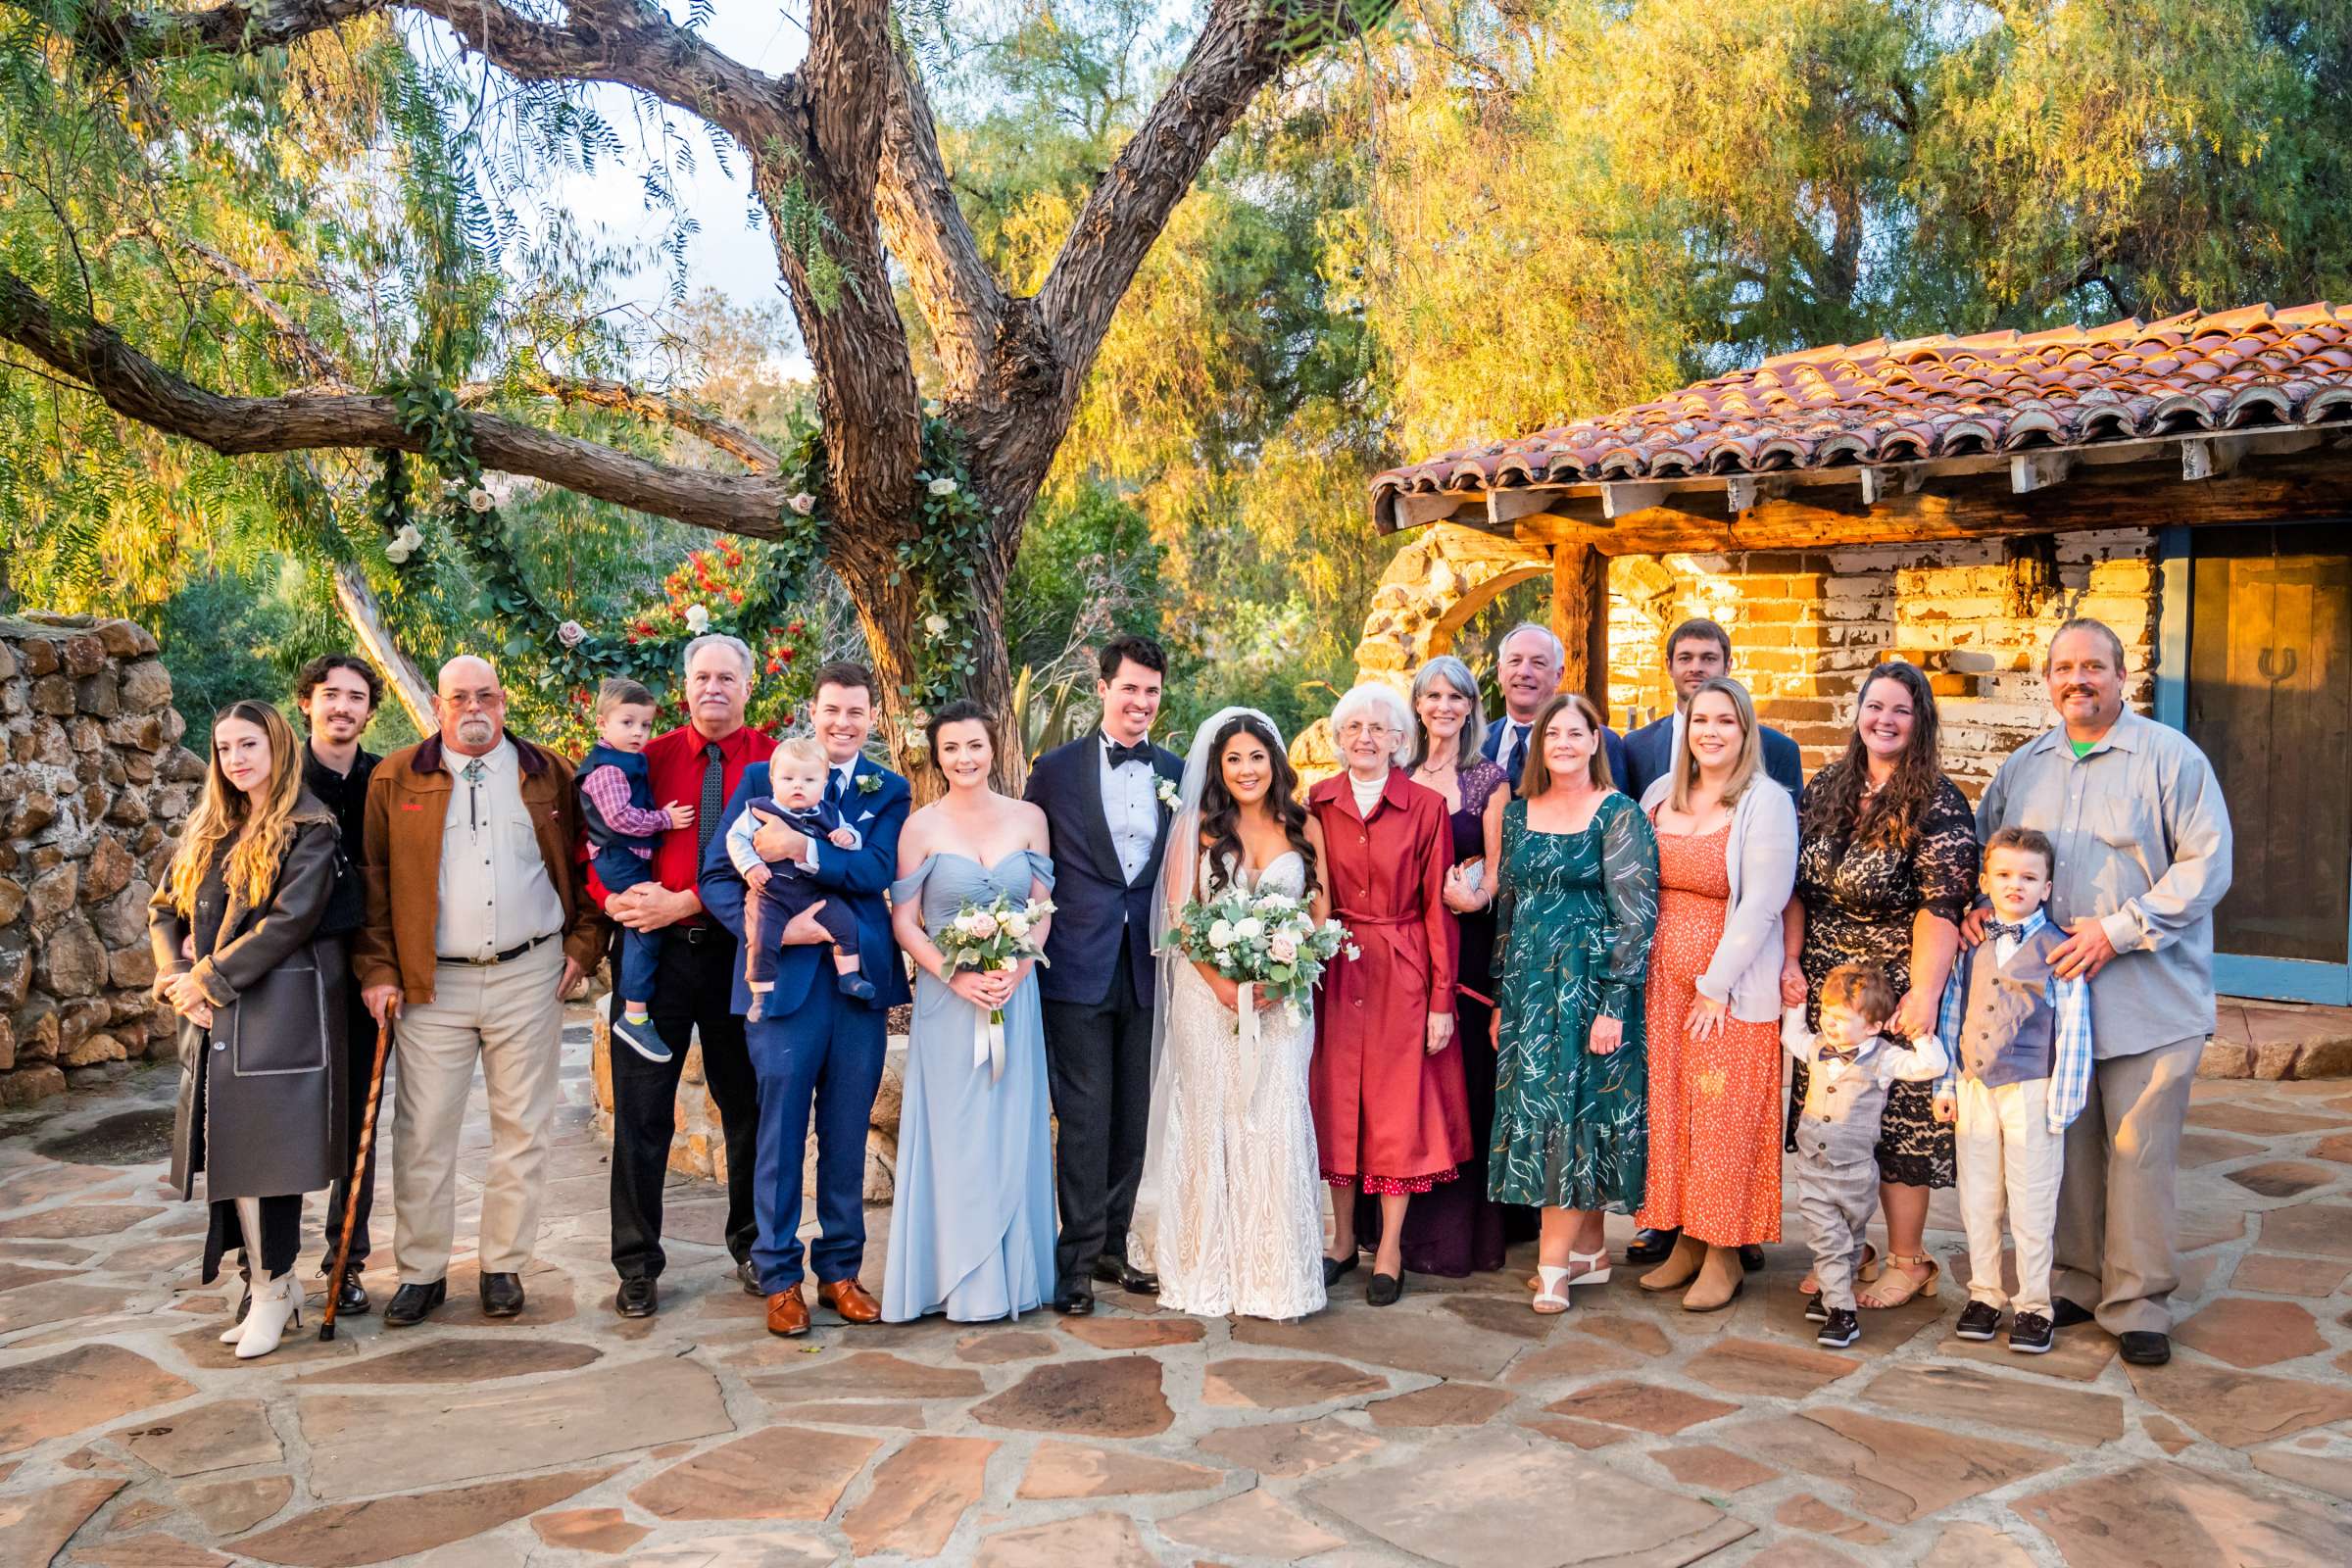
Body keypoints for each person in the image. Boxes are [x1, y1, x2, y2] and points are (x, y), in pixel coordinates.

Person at [1972, 618, 2232, 1367]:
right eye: (2063, 668)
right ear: (2048, 681)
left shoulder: (2170, 759)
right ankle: (2079, 1281)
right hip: (2050, 1006)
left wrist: (2117, 930)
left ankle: (2140, 1302)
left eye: (2093, 666)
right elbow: (1993, 850)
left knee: (2138, 1150)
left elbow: (2206, 867)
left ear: (2122, 676)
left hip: (2149, 997)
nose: (2076, 679)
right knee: (2073, 1149)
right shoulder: (2024, 767)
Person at [356, 656, 601, 1327]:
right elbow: (373, 882)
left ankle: (502, 1265)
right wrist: (378, 970)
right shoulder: (396, 776)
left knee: (523, 1127)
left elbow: (589, 862)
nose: (473, 708)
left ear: (503, 701)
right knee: (423, 1132)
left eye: (486, 696)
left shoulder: (547, 772)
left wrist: (583, 946)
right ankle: (422, 1271)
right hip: (430, 982)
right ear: (437, 706)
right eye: (459, 697)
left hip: (530, 972)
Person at [700, 662, 910, 1337]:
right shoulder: (766, 778)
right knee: (780, 1133)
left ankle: (842, 1271)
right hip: (781, 985)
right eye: (831, 710)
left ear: (872, 718)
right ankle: (780, 1276)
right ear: (812, 713)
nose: (842, 723)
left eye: (856, 712)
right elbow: (716, 873)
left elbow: (876, 869)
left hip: (859, 988)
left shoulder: (889, 789)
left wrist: (806, 852)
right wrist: (775, 928)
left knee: (847, 1132)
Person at [1779, 661, 1979, 1313]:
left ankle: (1908, 1259)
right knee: (1834, 1120)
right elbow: (1796, 889)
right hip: (1829, 991)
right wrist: (1792, 962)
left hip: (1893, 984)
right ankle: (1848, 1247)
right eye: (1875, 707)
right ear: (1857, 713)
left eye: (1901, 710)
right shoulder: (1826, 787)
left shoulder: (1937, 800)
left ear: (1919, 722)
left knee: (1896, 1124)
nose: (1885, 720)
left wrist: (1923, 993)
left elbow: (1940, 906)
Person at [152, 701, 347, 1358]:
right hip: (212, 1015)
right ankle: (273, 1288)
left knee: (267, 1156)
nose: (236, 758)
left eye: (249, 745)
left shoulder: (309, 826)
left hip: (279, 1014)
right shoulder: (208, 826)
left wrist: (206, 979)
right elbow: (163, 911)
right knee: (231, 1153)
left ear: (278, 748)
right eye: (225, 747)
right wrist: (174, 981)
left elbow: (289, 921)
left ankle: (272, 1288)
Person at [600, 635, 772, 1316]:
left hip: (739, 955)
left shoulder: (771, 761)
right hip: (654, 958)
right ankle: (636, 1263)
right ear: (685, 684)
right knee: (641, 1114)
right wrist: (610, 899)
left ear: (748, 687)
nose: (713, 688)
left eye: (727, 677)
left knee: (749, 1107)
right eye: (701, 676)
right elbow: (604, 834)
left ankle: (756, 1246)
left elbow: (771, 859)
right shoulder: (650, 755)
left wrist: (689, 899)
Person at [1147, 708, 1331, 1321]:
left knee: (1271, 1118)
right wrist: (1223, 985)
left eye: (1256, 757)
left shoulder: (1305, 826)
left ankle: (1275, 1277)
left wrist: (1287, 970)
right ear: (1217, 768)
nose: (1246, 769)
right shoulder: (1199, 827)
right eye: (1233, 759)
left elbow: (1319, 912)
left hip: (1282, 1004)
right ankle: (1206, 1269)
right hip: (1207, 1001)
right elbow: (1180, 915)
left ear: (1275, 763)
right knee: (1210, 1120)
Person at [881, 701, 1059, 1322]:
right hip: (948, 1000)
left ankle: (1015, 1278)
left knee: (1011, 1128)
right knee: (954, 1135)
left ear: (993, 748)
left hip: (1015, 993)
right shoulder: (920, 827)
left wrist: (1016, 967)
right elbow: (905, 920)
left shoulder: (1030, 818)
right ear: (937, 755)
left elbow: (1040, 909)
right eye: (952, 748)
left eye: (975, 746)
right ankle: (954, 1279)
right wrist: (954, 976)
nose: (964, 758)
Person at [1351, 656, 1528, 1277]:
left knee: (1459, 1085)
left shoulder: (1489, 779)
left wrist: (1475, 898)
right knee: (1399, 1087)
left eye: (1457, 696)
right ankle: (1385, 1231)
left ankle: (1456, 1235)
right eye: (1433, 696)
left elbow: (1503, 871)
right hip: (1399, 948)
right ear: (1417, 706)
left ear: (1472, 706)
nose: (1445, 707)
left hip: (1467, 944)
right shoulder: (1394, 771)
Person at [1022, 635, 1184, 1314]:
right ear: (1103, 689)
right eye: (1130, 689)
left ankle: (1115, 1247)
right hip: (1076, 965)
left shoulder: (1177, 769)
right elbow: (1030, 862)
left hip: (1149, 967)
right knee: (1084, 1118)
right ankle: (1076, 1264)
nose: (1141, 703)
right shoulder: (1053, 771)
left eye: (1152, 692)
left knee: (1132, 1120)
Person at [1490, 693, 1658, 1314]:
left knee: (1573, 1112)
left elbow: (1636, 917)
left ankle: (1553, 1266)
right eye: (1551, 733)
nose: (1561, 742)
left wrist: (1615, 1001)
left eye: (1574, 732)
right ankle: (1588, 1252)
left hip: (1590, 985)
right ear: (1540, 746)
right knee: (1549, 1113)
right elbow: (1507, 910)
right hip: (1529, 988)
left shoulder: (1618, 814)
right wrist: (1499, 998)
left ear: (1595, 743)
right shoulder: (1517, 814)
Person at [1636, 676, 1795, 1312]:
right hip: (1660, 988)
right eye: (1701, 719)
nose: (1711, 731)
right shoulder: (1657, 796)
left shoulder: (1766, 802)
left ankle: (1725, 1251)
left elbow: (1762, 905)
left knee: (1724, 1118)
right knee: (1673, 1114)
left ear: (1745, 729)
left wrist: (1713, 987)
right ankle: (1687, 1241)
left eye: (1725, 720)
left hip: (1726, 992)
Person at [1306, 681, 1468, 1306]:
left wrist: (1441, 999)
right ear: (1338, 738)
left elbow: (1437, 908)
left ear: (1402, 740)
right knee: (1338, 1100)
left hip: (1403, 970)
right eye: (1353, 729)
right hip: (1337, 966)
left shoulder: (1426, 807)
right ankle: (1343, 1240)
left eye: (1378, 729)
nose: (1365, 739)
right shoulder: (1317, 802)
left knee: (1396, 1108)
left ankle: (1392, 1249)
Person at [1936, 826, 2093, 1357]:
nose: (2016, 885)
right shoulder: (1972, 944)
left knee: (2032, 1199)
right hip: (1974, 1085)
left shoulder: (2059, 949)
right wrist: (1946, 1080)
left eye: (2029, 877)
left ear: (2047, 888)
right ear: (1985, 881)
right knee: (1979, 1196)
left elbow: (2074, 1025)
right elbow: (1951, 1014)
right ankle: (1984, 1293)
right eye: (2003, 875)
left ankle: (2033, 1304)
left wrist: (2064, 1100)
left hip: (2033, 1089)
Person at [1782, 963, 1950, 1351]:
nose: (1830, 1023)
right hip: (1813, 1169)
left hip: (1857, 1172)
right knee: (1827, 1239)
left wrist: (1919, 1034)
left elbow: (1931, 1066)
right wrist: (1797, 1003)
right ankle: (1843, 1311)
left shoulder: (1884, 1058)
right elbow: (1792, 1035)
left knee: (1851, 1235)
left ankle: (1831, 1286)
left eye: (1841, 1018)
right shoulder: (1817, 1048)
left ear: (1873, 1026)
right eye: (1826, 1013)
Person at [294, 654, 383, 1317]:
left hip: (367, 968)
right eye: (331, 695)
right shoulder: (278, 776)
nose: (342, 707)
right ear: (307, 703)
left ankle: (345, 1263)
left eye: (356, 698)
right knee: (283, 1117)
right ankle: (264, 1269)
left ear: (369, 712)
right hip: (290, 969)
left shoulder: (386, 780)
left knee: (359, 1122)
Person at [576, 677, 695, 1063]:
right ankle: (635, 1013)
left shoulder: (630, 759)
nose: (639, 732)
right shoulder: (608, 770)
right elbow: (620, 818)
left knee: (645, 924)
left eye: (645, 725)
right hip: (617, 856)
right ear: (601, 724)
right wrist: (665, 819)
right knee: (645, 923)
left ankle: (637, 1009)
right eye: (627, 723)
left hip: (626, 856)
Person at [725, 734, 873, 1015]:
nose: (798, 786)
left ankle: (850, 976)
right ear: (772, 779)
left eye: (809, 781)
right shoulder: (759, 809)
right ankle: (761, 993)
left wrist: (847, 837)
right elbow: (735, 839)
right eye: (788, 779)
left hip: (814, 892)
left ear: (824, 783)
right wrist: (751, 866)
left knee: (844, 922)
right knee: (762, 934)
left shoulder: (829, 812)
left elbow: (855, 838)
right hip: (771, 891)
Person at [1481, 622, 1627, 795]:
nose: (1524, 672)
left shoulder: (1603, 743)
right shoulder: (1476, 743)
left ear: (1558, 675)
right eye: (1515, 661)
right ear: (1500, 670)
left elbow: (1619, 816)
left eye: (1538, 663)